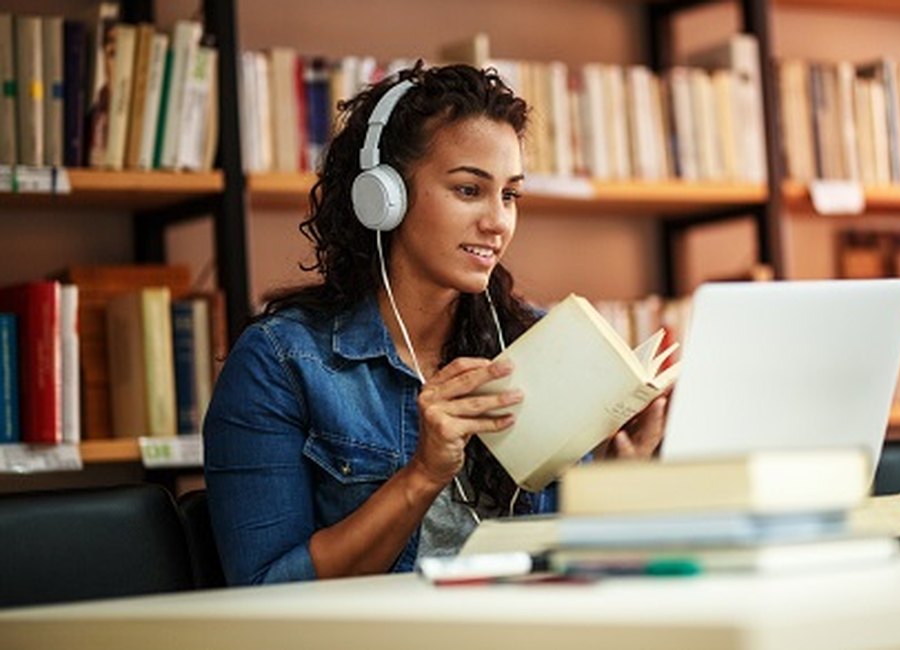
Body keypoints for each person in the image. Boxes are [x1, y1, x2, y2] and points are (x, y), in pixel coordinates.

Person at [203, 62, 667, 586]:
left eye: (509, 195)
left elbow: (558, 568)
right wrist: (423, 474)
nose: (497, 222)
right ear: (383, 197)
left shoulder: (536, 343)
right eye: (469, 190)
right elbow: (265, 590)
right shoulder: (281, 363)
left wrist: (614, 480)